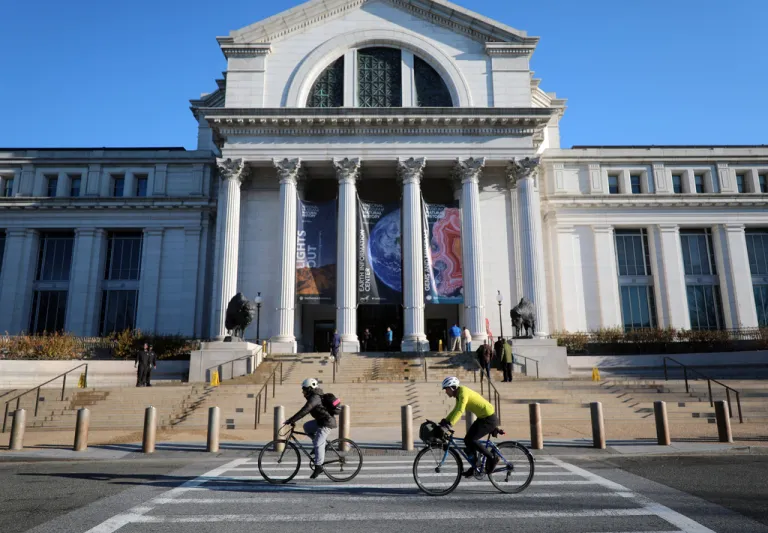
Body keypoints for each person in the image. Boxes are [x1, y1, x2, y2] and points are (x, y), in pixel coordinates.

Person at [439, 376, 499, 476]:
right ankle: (476, 465)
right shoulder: (458, 394)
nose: (446, 392)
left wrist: (450, 424)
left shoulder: (463, 393)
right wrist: (446, 421)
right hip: (482, 418)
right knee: (467, 440)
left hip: (489, 418)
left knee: (473, 440)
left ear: (453, 387)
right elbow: (455, 409)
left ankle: (492, 457)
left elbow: (460, 410)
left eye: (446, 389)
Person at [284, 378, 338, 479]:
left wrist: (292, 420)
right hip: (320, 421)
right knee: (307, 427)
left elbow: (305, 410)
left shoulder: (315, 398)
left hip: (326, 423)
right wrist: (292, 420)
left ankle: (318, 466)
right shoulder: (313, 397)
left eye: (304, 389)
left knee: (318, 443)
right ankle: (319, 446)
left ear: (309, 388)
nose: (302, 391)